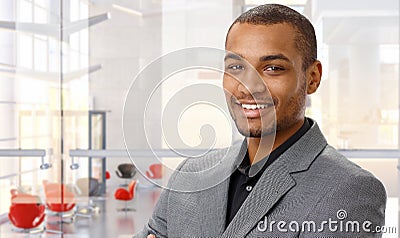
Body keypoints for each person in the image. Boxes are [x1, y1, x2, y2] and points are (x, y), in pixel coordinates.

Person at [135, 4, 386, 237]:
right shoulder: (191, 174)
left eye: (273, 68)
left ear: (312, 78)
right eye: (235, 67)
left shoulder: (350, 190)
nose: (248, 87)